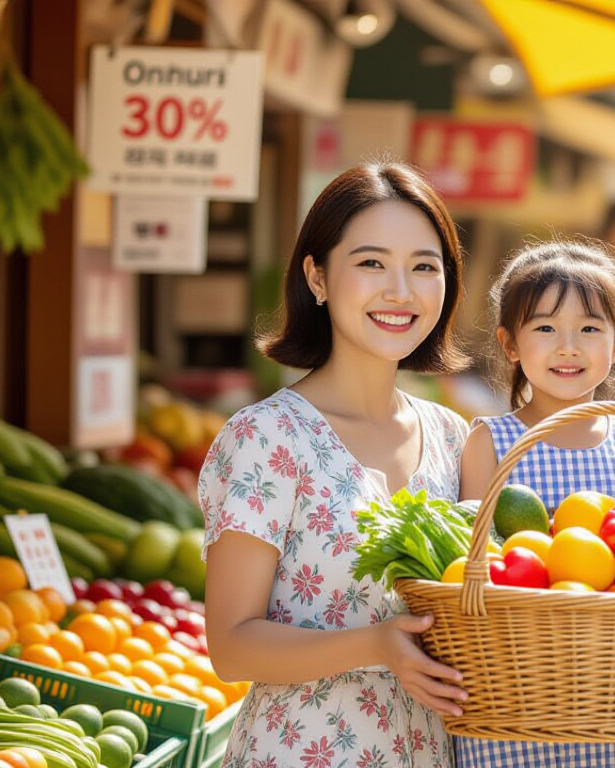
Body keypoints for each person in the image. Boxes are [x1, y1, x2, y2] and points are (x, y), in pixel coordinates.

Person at [200, 162, 472, 768]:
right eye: (371, 262)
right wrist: (376, 645)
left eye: (424, 267)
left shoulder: (454, 438)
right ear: (317, 277)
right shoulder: (267, 438)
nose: (400, 291)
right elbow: (231, 647)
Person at [457, 238, 615, 768]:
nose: (568, 347)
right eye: (545, 328)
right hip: (510, 693)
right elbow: (473, 563)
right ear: (510, 344)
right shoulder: (490, 441)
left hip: (609, 697)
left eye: (590, 329)